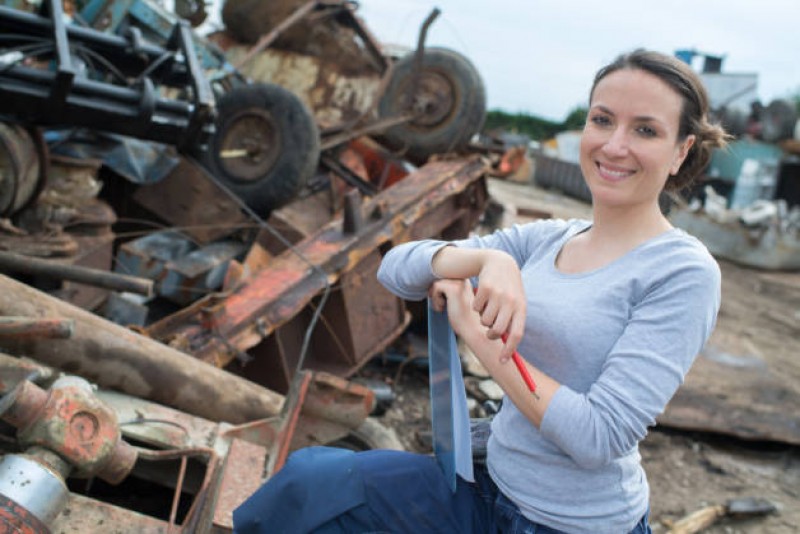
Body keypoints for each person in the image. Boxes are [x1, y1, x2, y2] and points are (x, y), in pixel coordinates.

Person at [232, 48, 728, 534]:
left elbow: (597, 435)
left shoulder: (682, 271)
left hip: (569, 522)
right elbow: (398, 268)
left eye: (645, 130)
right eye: (602, 120)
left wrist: (478, 333)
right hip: (486, 485)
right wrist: (489, 259)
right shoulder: (549, 238)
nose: (614, 145)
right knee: (309, 485)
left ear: (680, 150)